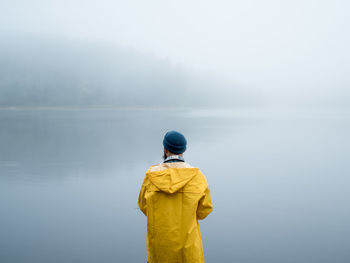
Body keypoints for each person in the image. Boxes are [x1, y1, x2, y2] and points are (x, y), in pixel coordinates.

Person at [138, 130, 213, 263]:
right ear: (183, 150)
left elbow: (144, 207)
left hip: (160, 249)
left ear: (165, 150)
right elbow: (204, 211)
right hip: (188, 250)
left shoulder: (151, 177)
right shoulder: (197, 177)